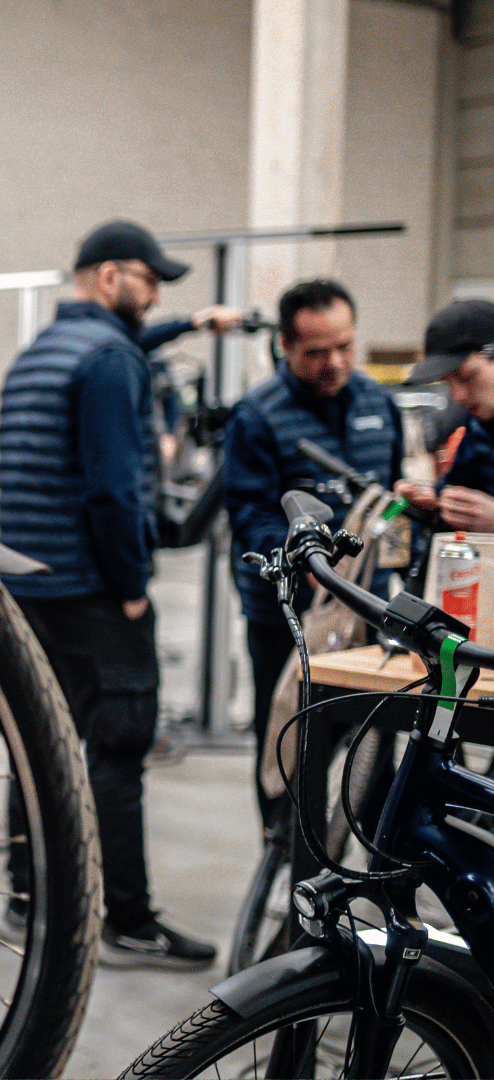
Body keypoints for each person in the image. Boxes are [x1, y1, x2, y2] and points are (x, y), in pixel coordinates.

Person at [0, 219, 220, 970]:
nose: (154, 296)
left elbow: (130, 351)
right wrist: (131, 587)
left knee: (42, 744)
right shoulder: (111, 360)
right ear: (107, 277)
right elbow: (114, 491)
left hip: (31, 589)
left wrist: (193, 325)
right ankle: (126, 920)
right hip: (96, 591)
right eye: (148, 280)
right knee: (119, 747)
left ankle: (27, 897)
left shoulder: (40, 353)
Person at [222, 279, 401, 825]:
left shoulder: (377, 402)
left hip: (367, 609)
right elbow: (249, 517)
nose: (335, 362)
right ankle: (281, 858)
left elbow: (389, 500)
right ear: (285, 345)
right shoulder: (256, 416)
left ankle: (370, 858)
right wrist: (304, 561)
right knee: (287, 745)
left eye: (344, 346)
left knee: (373, 745)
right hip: (287, 618)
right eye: (317, 352)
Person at [395, 299, 494, 529]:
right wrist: (436, 502)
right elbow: (462, 485)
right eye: (447, 383)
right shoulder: (480, 427)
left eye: (467, 377)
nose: (457, 396)